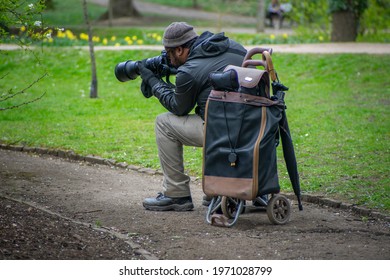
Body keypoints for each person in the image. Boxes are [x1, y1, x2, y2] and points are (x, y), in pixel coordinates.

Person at [137, 22, 247, 211]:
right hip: (256, 125)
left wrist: (154, 82)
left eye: (169, 53)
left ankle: (176, 194)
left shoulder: (189, 71)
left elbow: (178, 108)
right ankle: (216, 192)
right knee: (213, 114)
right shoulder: (235, 46)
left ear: (179, 50)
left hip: (222, 131)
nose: (169, 60)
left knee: (164, 122)